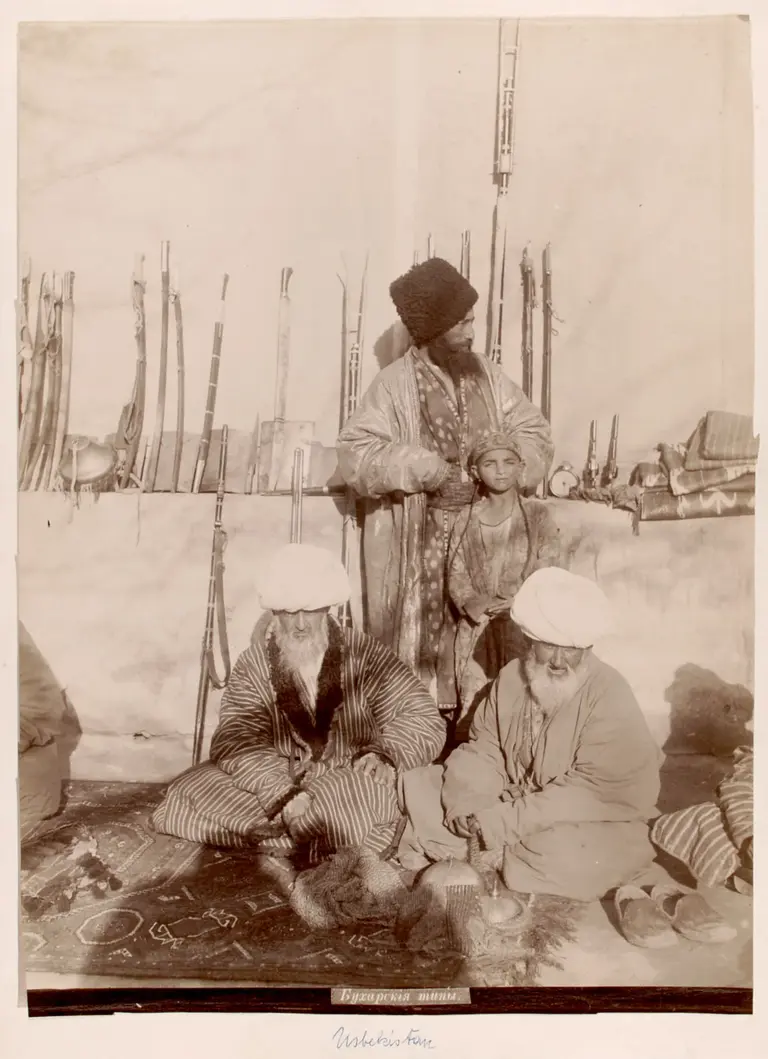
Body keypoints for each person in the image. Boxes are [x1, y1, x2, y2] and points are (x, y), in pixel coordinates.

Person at [336, 257, 554, 716]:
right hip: (420, 543)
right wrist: (422, 467)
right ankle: (420, 735)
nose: (472, 332)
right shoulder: (392, 386)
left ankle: (487, 731)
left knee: (488, 644)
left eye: (472, 320)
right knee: (423, 657)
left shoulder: (489, 378)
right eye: (462, 323)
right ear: (431, 329)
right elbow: (355, 452)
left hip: (487, 537)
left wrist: (510, 466)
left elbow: (534, 433)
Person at [152, 544, 445, 867]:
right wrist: (283, 794)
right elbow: (237, 738)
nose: (301, 624)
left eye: (312, 610)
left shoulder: (364, 654)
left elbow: (421, 714)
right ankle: (308, 831)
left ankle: (298, 831)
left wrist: (384, 753)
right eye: (291, 612)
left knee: (361, 795)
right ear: (275, 614)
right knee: (191, 787)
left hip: (348, 777)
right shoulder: (255, 664)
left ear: (328, 609)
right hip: (279, 778)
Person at [396, 567, 662, 902]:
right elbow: (484, 749)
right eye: (549, 646)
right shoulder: (511, 678)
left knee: (566, 851)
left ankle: (486, 853)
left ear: (588, 647)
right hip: (511, 805)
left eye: (571, 649)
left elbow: (586, 794)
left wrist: (498, 823)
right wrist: (469, 806)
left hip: (587, 816)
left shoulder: (609, 692)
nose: (559, 660)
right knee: (422, 784)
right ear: (530, 641)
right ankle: (494, 853)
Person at [448, 429, 562, 737]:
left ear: (520, 466)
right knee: (476, 700)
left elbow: (549, 566)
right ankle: (477, 766)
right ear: (475, 471)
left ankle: (523, 772)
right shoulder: (467, 518)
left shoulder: (537, 514)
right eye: (490, 463)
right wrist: (473, 603)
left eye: (508, 462)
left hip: (522, 625)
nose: (500, 470)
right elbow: (455, 570)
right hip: (478, 627)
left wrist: (519, 600)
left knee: (525, 699)